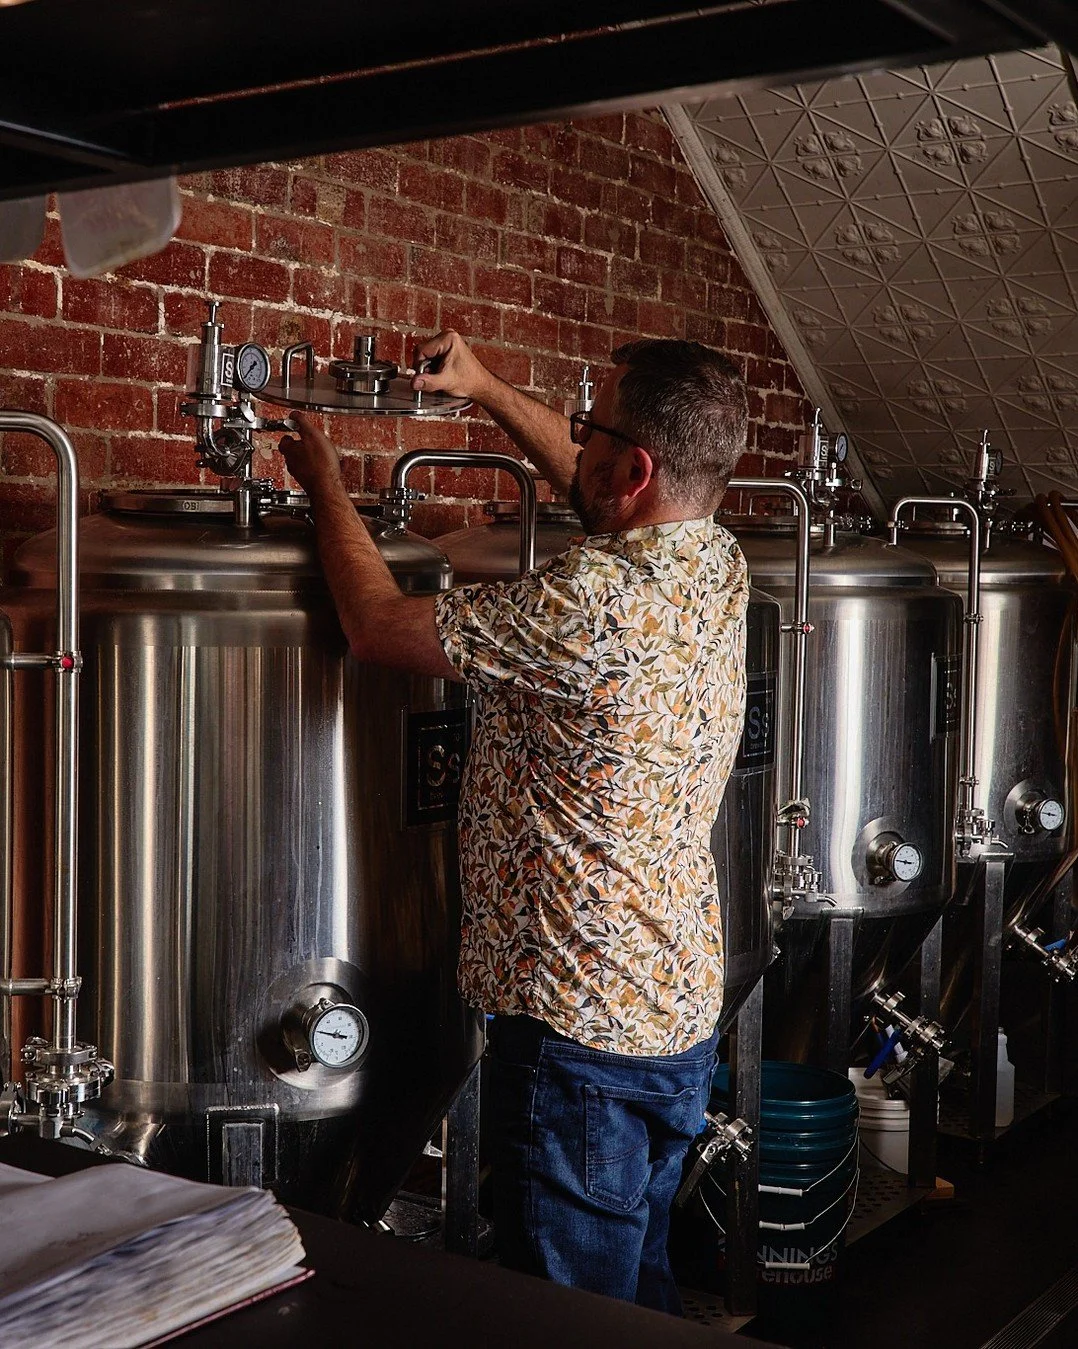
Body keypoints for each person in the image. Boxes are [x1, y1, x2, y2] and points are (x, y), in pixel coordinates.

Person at [278, 330, 749, 1315]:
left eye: (591, 431)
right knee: (641, 1301)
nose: (572, 446)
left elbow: (373, 624)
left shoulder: (593, 601)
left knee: (567, 1317)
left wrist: (323, 480)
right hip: (672, 1011)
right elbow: (596, 479)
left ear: (637, 464)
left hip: (578, 1036)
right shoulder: (712, 555)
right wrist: (486, 386)